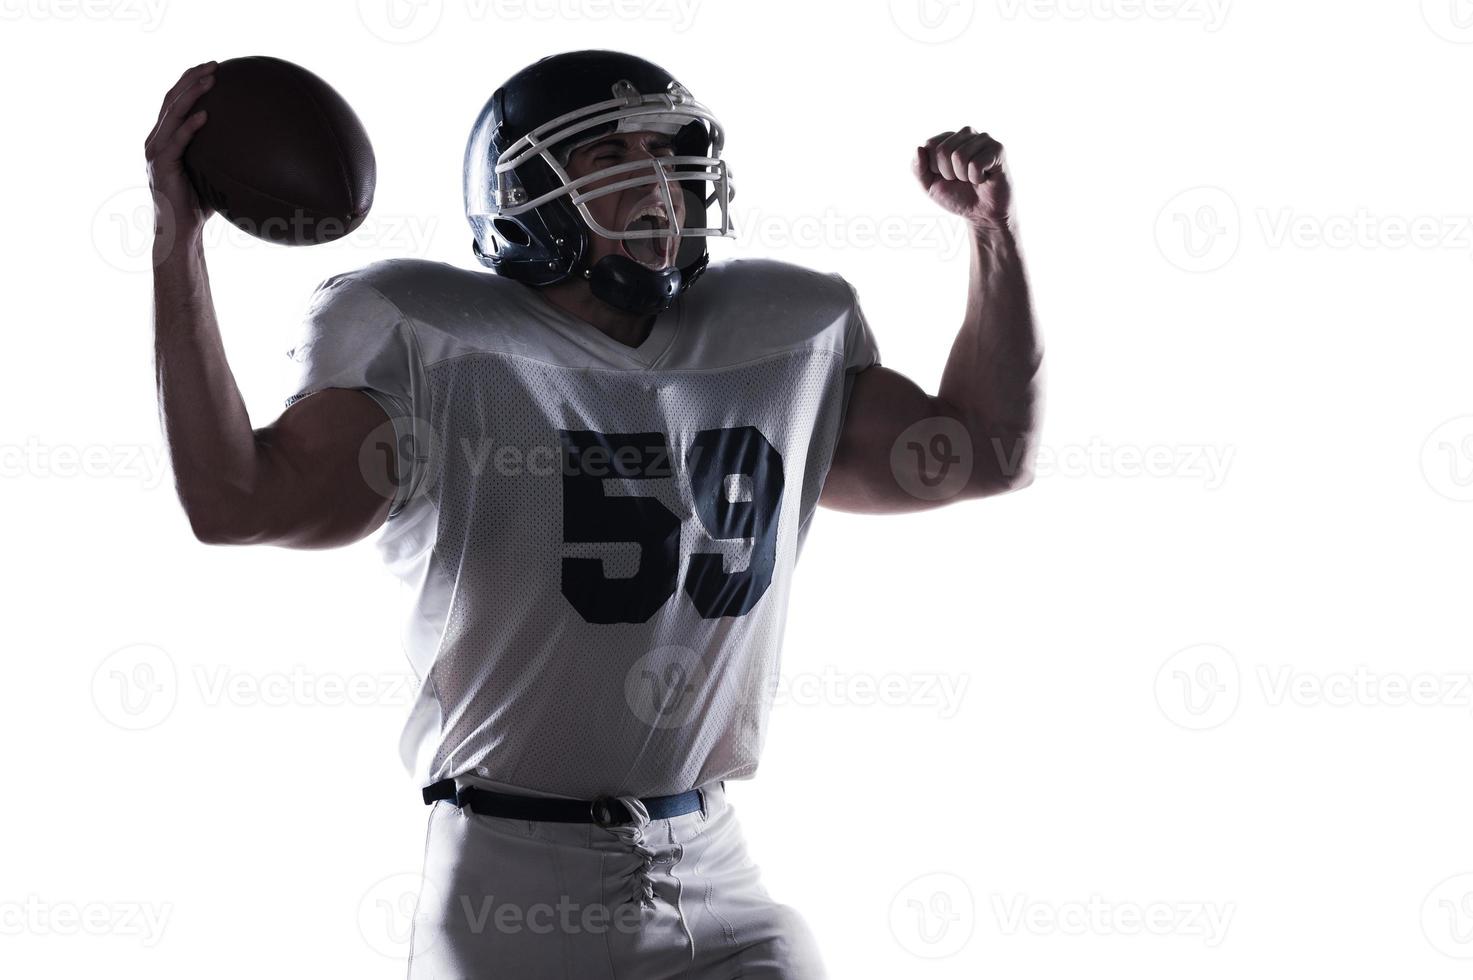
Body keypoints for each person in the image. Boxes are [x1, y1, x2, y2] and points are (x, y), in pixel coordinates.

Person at [146, 49, 1043, 979]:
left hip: (715, 870)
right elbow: (235, 501)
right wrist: (178, 243)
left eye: (668, 151)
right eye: (608, 154)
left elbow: (983, 453)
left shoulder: (780, 333)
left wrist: (995, 236)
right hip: (511, 884)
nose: (657, 181)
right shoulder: (431, 337)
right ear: (523, 190)